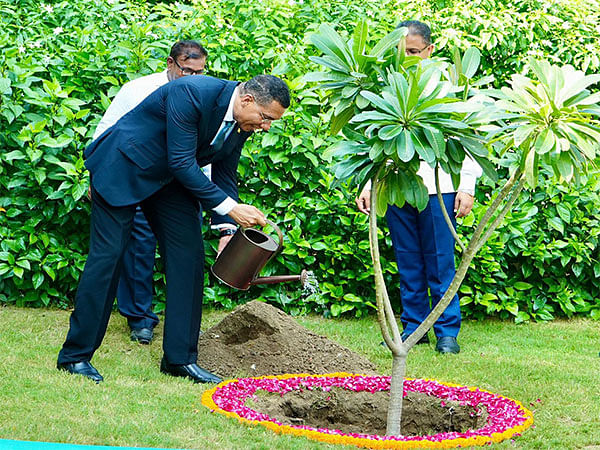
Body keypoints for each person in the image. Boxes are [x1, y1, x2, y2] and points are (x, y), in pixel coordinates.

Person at [57, 74, 290, 383]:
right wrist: (231, 208)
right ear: (247, 100)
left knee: (189, 258)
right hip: (125, 165)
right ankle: (75, 357)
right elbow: (181, 161)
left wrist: (226, 228)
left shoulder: (242, 120)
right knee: (108, 259)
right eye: (265, 118)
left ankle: (180, 359)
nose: (266, 126)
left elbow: (224, 170)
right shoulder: (191, 93)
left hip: (168, 180)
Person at [92, 40, 234, 346]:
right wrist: (100, 176)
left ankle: (180, 349)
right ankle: (140, 318)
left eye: (200, 71)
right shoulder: (137, 89)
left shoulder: (208, 97)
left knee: (186, 250)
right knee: (136, 249)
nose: (193, 77)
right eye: (187, 70)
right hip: (133, 178)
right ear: (171, 63)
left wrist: (223, 218)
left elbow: (208, 158)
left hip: (178, 184)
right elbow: (109, 131)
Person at [356, 20, 482, 354]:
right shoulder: (385, 89)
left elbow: (465, 140)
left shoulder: (447, 90)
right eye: (402, 52)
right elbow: (375, 144)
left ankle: (446, 332)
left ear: (429, 50)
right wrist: (370, 184)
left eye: (413, 52)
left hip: (440, 189)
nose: (408, 58)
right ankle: (414, 328)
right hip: (397, 188)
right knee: (408, 260)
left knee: (441, 263)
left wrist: (466, 186)